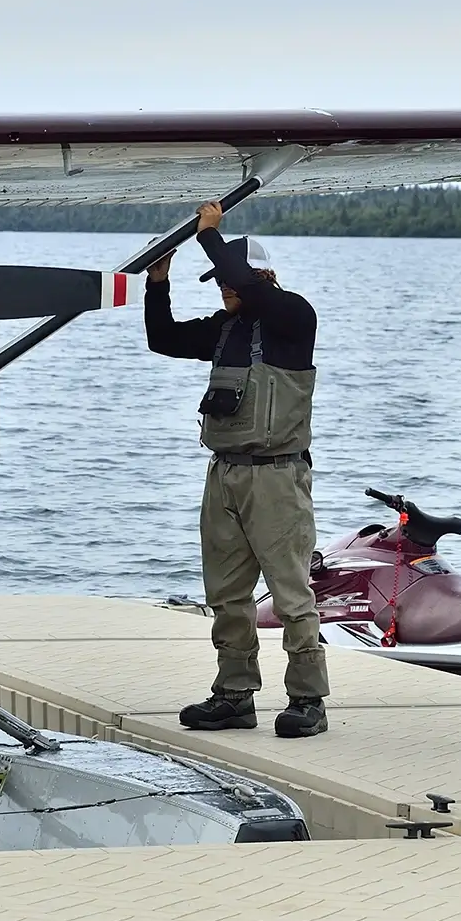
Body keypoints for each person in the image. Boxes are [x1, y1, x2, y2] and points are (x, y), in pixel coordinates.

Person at [145, 203, 328, 739]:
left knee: (292, 593)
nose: (223, 290)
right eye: (219, 283)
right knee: (226, 593)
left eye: (229, 280)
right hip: (223, 474)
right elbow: (164, 339)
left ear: (261, 277)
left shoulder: (294, 317)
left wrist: (210, 237)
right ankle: (234, 694)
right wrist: (159, 283)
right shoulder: (226, 330)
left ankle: (308, 700)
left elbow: (250, 285)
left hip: (277, 478)